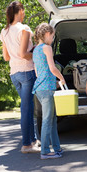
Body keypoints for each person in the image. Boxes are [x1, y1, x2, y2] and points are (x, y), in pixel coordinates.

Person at [0, 1, 40, 154]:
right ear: (20, 11)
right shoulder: (24, 29)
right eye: (23, 11)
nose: (24, 14)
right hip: (26, 72)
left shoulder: (5, 31)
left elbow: (5, 57)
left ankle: (32, 141)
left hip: (14, 74)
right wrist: (36, 52)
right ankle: (26, 145)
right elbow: (24, 54)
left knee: (28, 108)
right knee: (26, 109)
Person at [32, 23, 66, 160]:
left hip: (40, 88)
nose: (52, 39)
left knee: (52, 119)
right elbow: (52, 68)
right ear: (46, 34)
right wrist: (62, 78)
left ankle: (57, 148)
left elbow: (38, 72)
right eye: (52, 36)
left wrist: (55, 83)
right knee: (47, 120)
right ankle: (45, 151)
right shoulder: (47, 48)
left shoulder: (35, 50)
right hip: (46, 90)